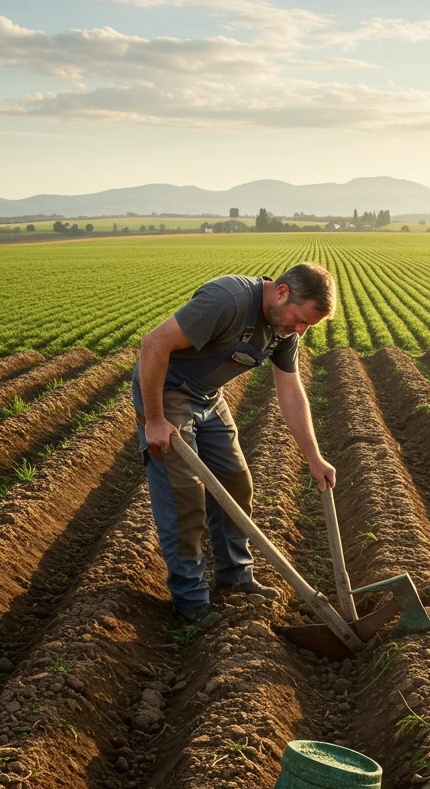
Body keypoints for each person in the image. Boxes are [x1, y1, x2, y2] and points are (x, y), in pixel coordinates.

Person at [131, 262, 337, 625]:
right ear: (282, 292)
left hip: (208, 397)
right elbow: (153, 343)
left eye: (309, 326)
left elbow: (290, 391)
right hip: (167, 394)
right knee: (185, 496)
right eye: (300, 320)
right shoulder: (226, 300)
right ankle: (190, 599)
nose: (300, 331)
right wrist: (156, 420)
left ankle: (235, 576)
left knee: (236, 482)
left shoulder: (284, 330)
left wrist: (314, 457)